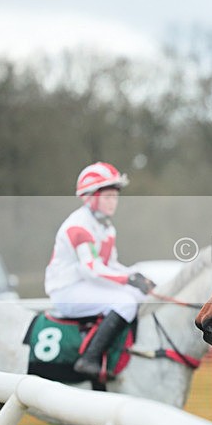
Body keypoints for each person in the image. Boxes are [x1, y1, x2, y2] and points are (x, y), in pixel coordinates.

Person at [45, 161, 156, 377]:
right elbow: (92, 269)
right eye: (108, 197)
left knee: (136, 295)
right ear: (91, 197)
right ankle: (89, 359)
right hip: (67, 290)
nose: (113, 202)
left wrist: (137, 277)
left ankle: (124, 352)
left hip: (85, 285)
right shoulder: (78, 226)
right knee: (125, 302)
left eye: (115, 196)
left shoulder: (106, 226)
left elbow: (111, 264)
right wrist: (128, 279)